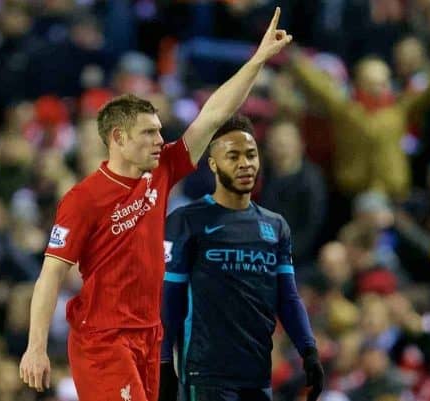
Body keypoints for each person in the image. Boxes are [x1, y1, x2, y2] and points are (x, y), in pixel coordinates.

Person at [19, 7, 292, 401]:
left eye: (160, 131)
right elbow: (50, 275)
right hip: (103, 340)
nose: (159, 140)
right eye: (148, 133)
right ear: (118, 138)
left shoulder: (161, 169)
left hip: (150, 334)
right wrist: (36, 346)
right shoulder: (83, 199)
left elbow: (213, 115)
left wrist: (257, 61)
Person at [159, 114, 324, 401]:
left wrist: (308, 350)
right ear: (212, 164)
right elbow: (169, 298)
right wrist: (162, 363)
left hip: (257, 373)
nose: (245, 163)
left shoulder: (275, 227)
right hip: (205, 373)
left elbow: (287, 298)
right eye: (233, 156)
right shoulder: (186, 221)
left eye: (251, 155)